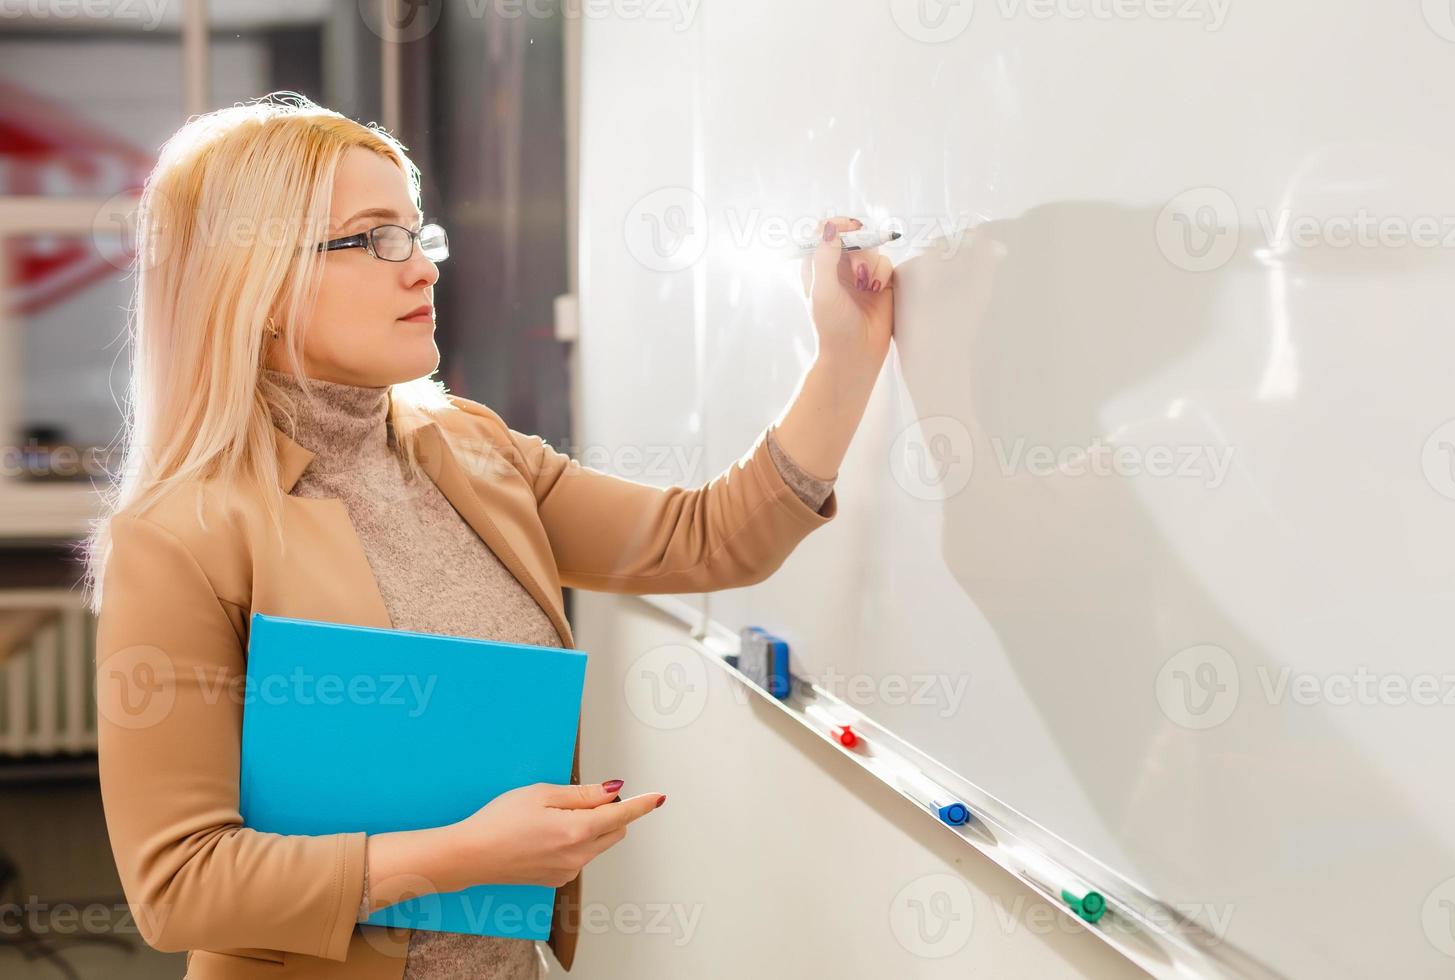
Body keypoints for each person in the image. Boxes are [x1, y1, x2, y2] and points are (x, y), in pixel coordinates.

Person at [84, 93, 894, 980]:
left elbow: (699, 540)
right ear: (262, 284)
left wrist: (845, 357)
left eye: (419, 235)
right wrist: (468, 855)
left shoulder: (470, 447)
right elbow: (180, 886)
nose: (424, 270)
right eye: (375, 238)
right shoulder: (179, 535)